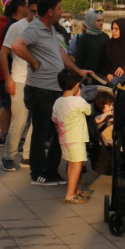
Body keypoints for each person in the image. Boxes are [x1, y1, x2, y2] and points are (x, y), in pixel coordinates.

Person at [11, 0, 89, 187]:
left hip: (54, 88)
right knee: (42, 131)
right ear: (50, 11)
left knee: (58, 131)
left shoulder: (51, 28)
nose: (62, 12)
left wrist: (77, 70)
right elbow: (16, 46)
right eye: (60, 8)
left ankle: (51, 170)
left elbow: (60, 52)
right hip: (40, 89)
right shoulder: (35, 28)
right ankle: (37, 173)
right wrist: (34, 61)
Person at [0, 0, 39, 172]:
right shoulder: (17, 27)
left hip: (39, 81)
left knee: (36, 121)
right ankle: (8, 156)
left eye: (39, 12)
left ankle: (27, 155)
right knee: (20, 120)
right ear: (27, 9)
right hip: (20, 78)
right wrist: (8, 78)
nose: (35, 15)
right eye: (32, 11)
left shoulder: (45, 28)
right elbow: (3, 54)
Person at [0, 0, 28, 145]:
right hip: (9, 73)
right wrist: (9, 77)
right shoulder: (13, 26)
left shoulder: (5, 24)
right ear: (20, 8)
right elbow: (6, 52)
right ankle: (6, 137)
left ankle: (6, 136)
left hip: (6, 72)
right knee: (9, 107)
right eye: (28, 7)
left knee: (8, 106)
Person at [53, 68, 93, 204]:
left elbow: (55, 120)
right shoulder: (78, 101)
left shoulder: (57, 101)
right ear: (77, 85)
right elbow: (89, 111)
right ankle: (70, 195)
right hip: (76, 138)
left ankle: (74, 190)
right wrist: (80, 97)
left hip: (64, 138)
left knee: (71, 164)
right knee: (77, 166)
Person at [74, 11, 109, 77]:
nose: (101, 23)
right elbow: (79, 61)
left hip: (104, 77)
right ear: (91, 21)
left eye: (102, 20)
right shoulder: (83, 39)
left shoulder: (105, 36)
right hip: (89, 77)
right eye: (98, 21)